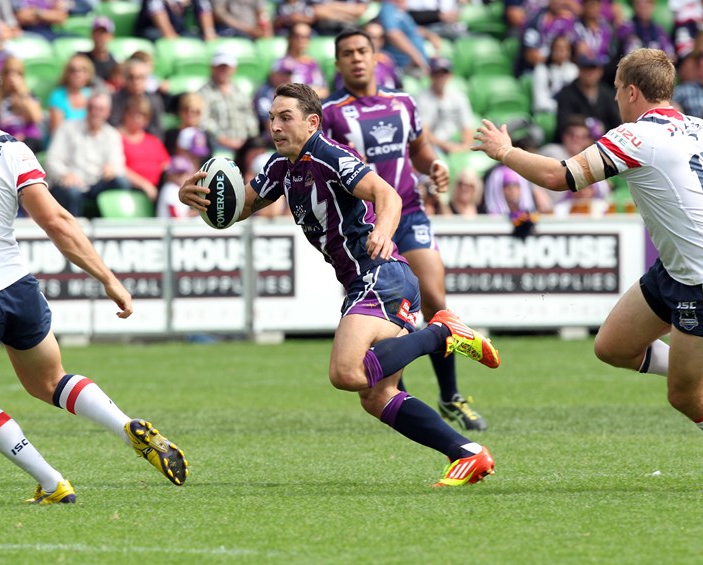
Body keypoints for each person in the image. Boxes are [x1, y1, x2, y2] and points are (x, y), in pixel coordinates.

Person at [473, 47, 703, 491]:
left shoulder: (633, 137)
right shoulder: (698, 127)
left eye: (616, 90)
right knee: (612, 347)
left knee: (685, 395)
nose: (614, 99)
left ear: (632, 91)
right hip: (678, 270)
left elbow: (560, 177)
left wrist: (505, 151)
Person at [179, 82, 499, 486]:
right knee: (376, 396)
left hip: (380, 275)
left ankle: (441, 332)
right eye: (272, 118)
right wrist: (199, 198)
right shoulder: (281, 168)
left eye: (285, 117)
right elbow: (239, 208)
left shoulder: (330, 156)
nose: (275, 126)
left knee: (346, 372)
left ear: (312, 122)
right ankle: (467, 452)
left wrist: (384, 230)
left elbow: (387, 194)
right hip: (367, 283)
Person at [0, 56, 188, 505]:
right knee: (51, 381)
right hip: (16, 287)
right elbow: (58, 221)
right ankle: (124, 425)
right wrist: (109, 279)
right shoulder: (12, 149)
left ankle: (51, 481)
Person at [323, 28, 489, 431]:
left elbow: (418, 150)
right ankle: (398, 391)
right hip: (365, 224)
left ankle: (450, 395)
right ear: (338, 63)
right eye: (347, 53)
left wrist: (434, 167)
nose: (356, 58)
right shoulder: (330, 114)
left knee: (434, 298)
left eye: (363, 50)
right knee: (383, 312)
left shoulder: (403, 103)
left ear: (377, 55)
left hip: (409, 212)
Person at [46, 91, 130, 217]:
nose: (95, 112)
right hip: (70, 184)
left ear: (108, 112)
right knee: (72, 192)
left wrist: (112, 169)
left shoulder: (112, 135)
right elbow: (51, 160)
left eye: (100, 109)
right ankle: (73, 233)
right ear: (86, 108)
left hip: (97, 184)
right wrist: (65, 174)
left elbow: (119, 165)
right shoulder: (67, 128)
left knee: (121, 182)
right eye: (92, 108)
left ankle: (115, 231)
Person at [198, 46, 259, 158]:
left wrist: (248, 138)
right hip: (216, 145)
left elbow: (250, 117)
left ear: (234, 69)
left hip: (243, 144)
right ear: (212, 68)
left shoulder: (240, 92)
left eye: (227, 67)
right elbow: (203, 121)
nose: (224, 70)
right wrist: (223, 140)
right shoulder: (203, 92)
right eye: (220, 66)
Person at [414, 56, 475, 155]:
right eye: (437, 73)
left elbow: (467, 128)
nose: (441, 78)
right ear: (431, 75)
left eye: (444, 73)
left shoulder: (459, 97)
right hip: (433, 146)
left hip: (455, 142)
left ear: (450, 75)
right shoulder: (422, 98)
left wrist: (464, 147)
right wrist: (445, 145)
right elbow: (423, 132)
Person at [46, 53, 95, 135]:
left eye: (82, 70)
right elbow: (57, 131)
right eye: (73, 70)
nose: (78, 74)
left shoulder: (92, 95)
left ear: (88, 74)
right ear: (67, 74)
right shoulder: (58, 96)